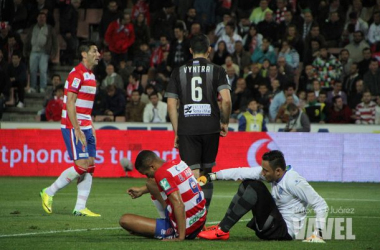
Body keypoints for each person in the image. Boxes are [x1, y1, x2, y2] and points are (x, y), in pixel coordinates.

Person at [198, 150, 328, 242]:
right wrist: (213, 176)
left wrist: (318, 235)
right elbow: (241, 172)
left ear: (278, 171)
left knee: (256, 187)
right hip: (271, 225)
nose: (263, 173)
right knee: (248, 182)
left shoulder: (294, 182)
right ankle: (221, 227)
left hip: (284, 233)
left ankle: (221, 231)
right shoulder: (272, 174)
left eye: (266, 170)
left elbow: (321, 204)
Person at [166, 34, 232, 211]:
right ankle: (204, 213)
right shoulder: (218, 70)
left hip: (188, 128)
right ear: (209, 50)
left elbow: (171, 103)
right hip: (211, 127)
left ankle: (193, 214)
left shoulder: (178, 71)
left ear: (190, 51)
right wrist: (224, 122)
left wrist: (176, 131)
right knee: (206, 173)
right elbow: (226, 100)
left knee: (191, 174)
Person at [40, 41, 101, 217]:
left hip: (86, 125)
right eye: (94, 51)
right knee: (81, 165)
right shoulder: (76, 75)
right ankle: (48, 192)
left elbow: (85, 107)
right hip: (73, 125)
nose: (98, 54)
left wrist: (91, 127)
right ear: (84, 54)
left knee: (90, 166)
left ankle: (80, 206)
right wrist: (77, 128)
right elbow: (71, 103)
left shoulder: (91, 76)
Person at [120, 150, 206, 241]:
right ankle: (172, 222)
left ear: (152, 167)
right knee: (151, 183)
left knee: (125, 220)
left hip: (188, 229)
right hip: (201, 218)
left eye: (146, 173)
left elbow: (179, 204)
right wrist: (142, 190)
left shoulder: (161, 174)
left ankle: (172, 229)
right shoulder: (178, 163)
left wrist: (180, 237)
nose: (148, 176)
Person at [24, 12, 57, 93]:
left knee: (43, 70)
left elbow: (55, 42)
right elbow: (27, 40)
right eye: (40, 17)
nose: (41, 19)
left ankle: (43, 87)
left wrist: (54, 53)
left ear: (45, 19)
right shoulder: (32, 28)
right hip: (33, 51)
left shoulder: (49, 28)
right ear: (37, 18)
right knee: (32, 70)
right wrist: (25, 51)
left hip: (44, 52)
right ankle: (33, 87)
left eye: (43, 17)